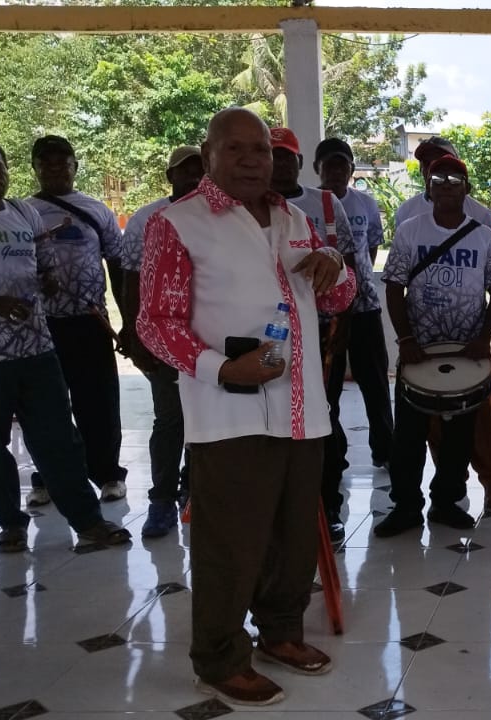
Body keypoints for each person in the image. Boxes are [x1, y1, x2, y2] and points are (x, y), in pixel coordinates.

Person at [136, 108, 355, 706]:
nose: (254, 160)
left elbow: (337, 296)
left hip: (302, 409)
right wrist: (219, 367)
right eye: (237, 150)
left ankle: (281, 633)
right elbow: (154, 323)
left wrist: (336, 269)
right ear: (209, 156)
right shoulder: (178, 224)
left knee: (291, 538)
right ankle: (217, 657)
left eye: (261, 149)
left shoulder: (296, 219)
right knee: (231, 542)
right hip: (227, 413)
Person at [0, 137, 133, 554]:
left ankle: (88, 522)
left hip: (36, 348)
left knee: (59, 438)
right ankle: (11, 525)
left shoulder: (24, 213)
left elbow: (44, 267)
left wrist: (49, 282)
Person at [374, 153, 491, 537]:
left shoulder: (483, 236)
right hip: (419, 352)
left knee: (459, 436)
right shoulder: (410, 232)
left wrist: (483, 340)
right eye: (439, 178)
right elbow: (394, 287)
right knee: (409, 437)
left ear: (466, 188)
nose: (447, 183)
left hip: (465, 354)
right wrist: (405, 339)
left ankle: (447, 503)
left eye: (455, 177)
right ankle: (405, 507)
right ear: (428, 188)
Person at [24, 135, 128, 506]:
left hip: (89, 322)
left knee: (98, 402)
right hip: (39, 328)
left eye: (62, 162)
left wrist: (126, 321)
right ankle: (49, 477)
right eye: (45, 162)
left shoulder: (97, 211)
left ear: (75, 166)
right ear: (34, 168)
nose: (54, 168)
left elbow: (117, 267)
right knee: (46, 407)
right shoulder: (22, 213)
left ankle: (108, 474)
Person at [269, 127, 357, 545]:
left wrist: (342, 326)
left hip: (318, 334)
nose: (280, 163)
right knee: (268, 427)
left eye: (287, 156)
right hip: (263, 340)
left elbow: (349, 266)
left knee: (322, 420)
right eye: (273, 155)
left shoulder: (321, 204)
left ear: (300, 163)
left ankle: (328, 509)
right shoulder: (235, 210)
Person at [120, 145, 204, 539]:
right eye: (184, 172)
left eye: (200, 171)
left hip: (210, 340)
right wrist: (136, 336)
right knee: (170, 420)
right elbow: (130, 281)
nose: (193, 178)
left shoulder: (218, 216)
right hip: (165, 340)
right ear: (169, 176)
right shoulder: (146, 219)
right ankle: (161, 501)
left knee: (206, 421)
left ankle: (195, 492)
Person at [314, 137, 396, 535]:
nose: (336, 171)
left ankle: (386, 449)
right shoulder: (309, 204)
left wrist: (358, 284)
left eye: (343, 164)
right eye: (329, 165)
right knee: (327, 390)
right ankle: (336, 454)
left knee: (375, 383)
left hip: (363, 308)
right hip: (322, 316)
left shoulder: (364, 204)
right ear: (317, 168)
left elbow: (372, 248)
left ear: (351, 169)